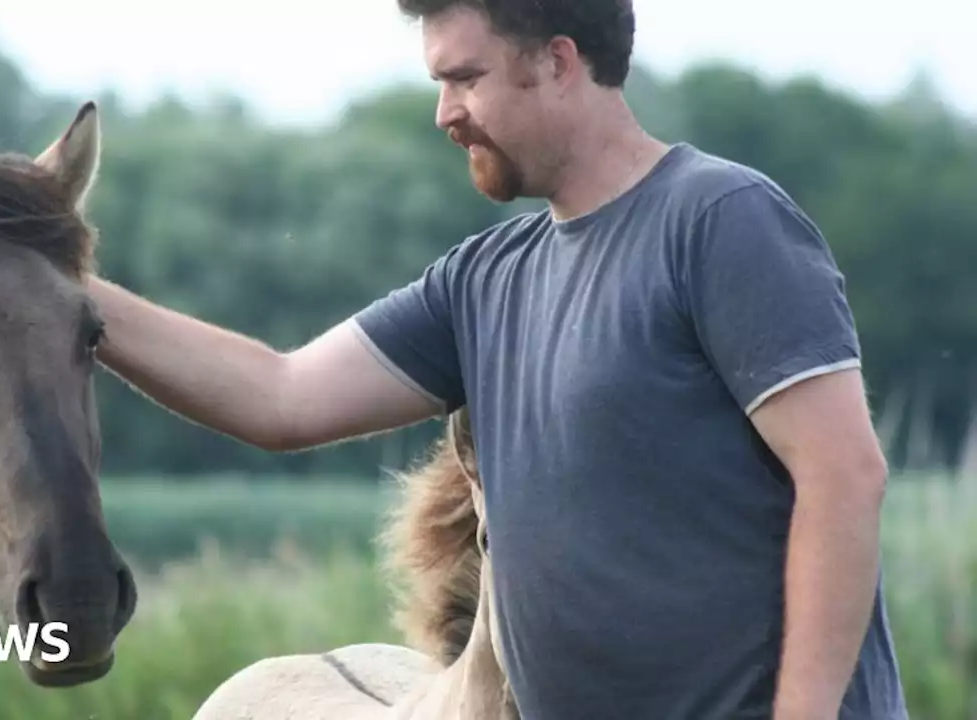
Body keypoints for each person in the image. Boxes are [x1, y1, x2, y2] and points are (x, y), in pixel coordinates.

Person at [85, 1, 908, 717]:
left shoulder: (722, 221)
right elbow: (281, 395)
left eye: (465, 78)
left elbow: (843, 476)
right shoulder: (482, 283)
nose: (445, 113)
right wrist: (57, 286)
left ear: (557, 62)